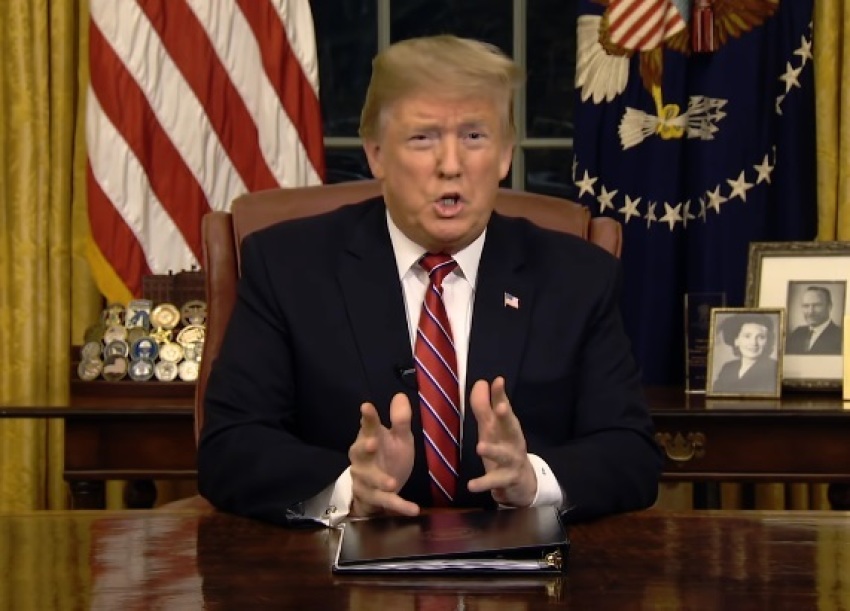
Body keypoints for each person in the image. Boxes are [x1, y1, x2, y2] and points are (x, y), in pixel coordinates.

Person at [197, 35, 662, 527]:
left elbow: (630, 454)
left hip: (523, 588)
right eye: (423, 138)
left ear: (505, 154)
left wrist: (533, 481)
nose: (451, 165)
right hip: (338, 579)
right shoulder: (288, 266)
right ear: (376, 154)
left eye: (474, 137)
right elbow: (230, 447)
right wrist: (351, 488)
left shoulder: (577, 276)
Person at [711, 313, 779, 395]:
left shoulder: (774, 369)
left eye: (761, 337)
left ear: (767, 341)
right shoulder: (728, 368)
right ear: (736, 341)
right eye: (747, 336)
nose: (754, 343)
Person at [785, 286, 843, 355]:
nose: (810, 312)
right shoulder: (796, 334)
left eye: (817, 305)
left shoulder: (841, 336)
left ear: (829, 306)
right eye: (806, 306)